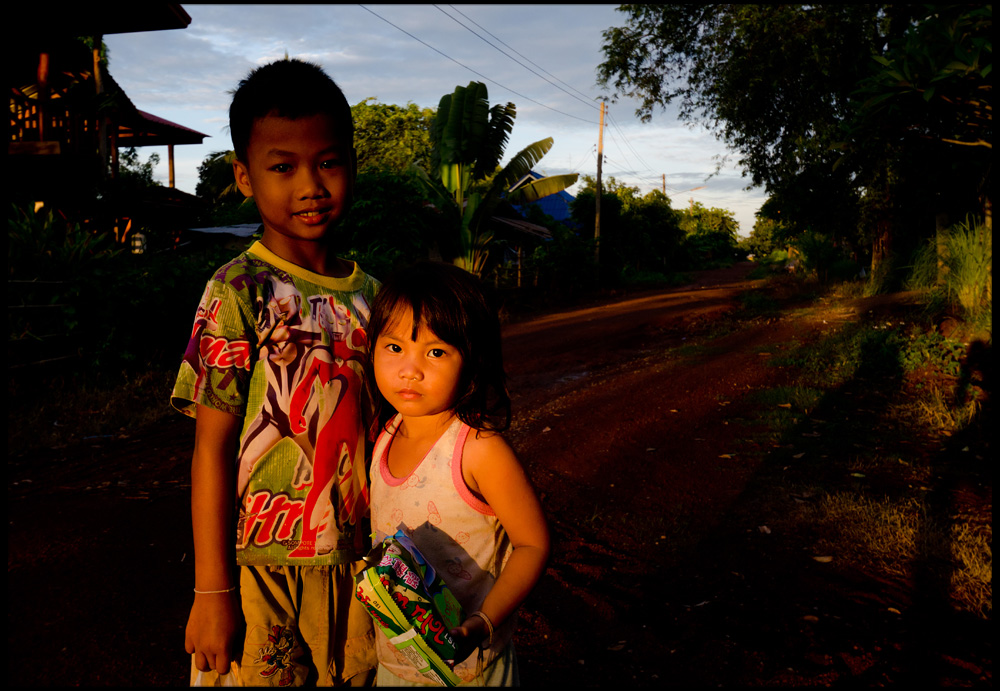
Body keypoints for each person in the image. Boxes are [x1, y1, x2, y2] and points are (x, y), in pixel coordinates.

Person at [171, 58, 379, 686]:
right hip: (261, 572)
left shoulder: (373, 295)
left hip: (358, 567)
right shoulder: (237, 289)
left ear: (350, 163)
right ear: (244, 176)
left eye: (329, 162)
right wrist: (213, 594)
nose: (310, 185)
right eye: (282, 167)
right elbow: (211, 448)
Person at [366, 262, 551, 686]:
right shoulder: (385, 434)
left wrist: (481, 623)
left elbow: (533, 544)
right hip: (396, 666)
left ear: (473, 359)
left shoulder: (478, 449)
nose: (410, 370)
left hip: (470, 669)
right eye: (394, 348)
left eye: (435, 352)